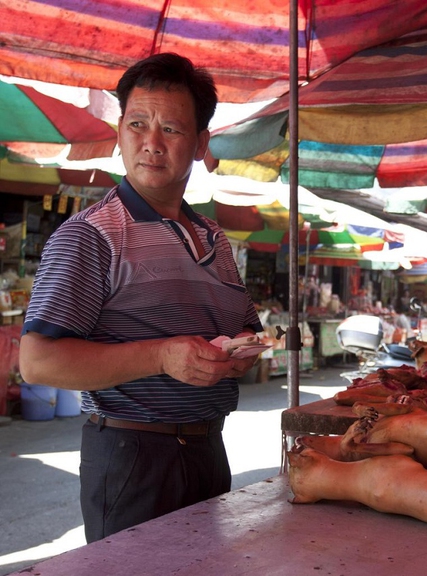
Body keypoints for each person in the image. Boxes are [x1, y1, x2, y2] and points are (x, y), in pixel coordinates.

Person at [18, 53, 263, 543]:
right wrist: (161, 356)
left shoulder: (214, 237)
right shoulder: (91, 235)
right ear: (119, 133)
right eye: (137, 124)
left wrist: (241, 350)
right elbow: (39, 363)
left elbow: (245, 330)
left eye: (171, 129)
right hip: (134, 457)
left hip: (209, 448)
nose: (151, 143)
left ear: (199, 144)